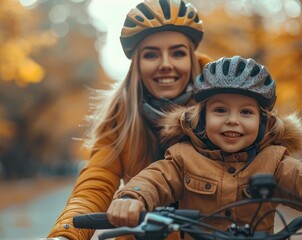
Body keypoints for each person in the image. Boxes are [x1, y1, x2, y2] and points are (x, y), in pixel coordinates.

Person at [106, 56, 302, 236]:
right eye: (221, 110)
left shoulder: (275, 160)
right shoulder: (182, 158)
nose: (233, 121)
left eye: (246, 112)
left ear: (263, 121)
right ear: (201, 117)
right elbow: (154, 179)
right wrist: (132, 198)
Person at [47, 1, 212, 239]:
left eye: (177, 53)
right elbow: (96, 181)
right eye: (151, 54)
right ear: (137, 64)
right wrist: (66, 234)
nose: (165, 64)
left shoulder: (225, 107)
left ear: (192, 58)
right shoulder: (120, 116)